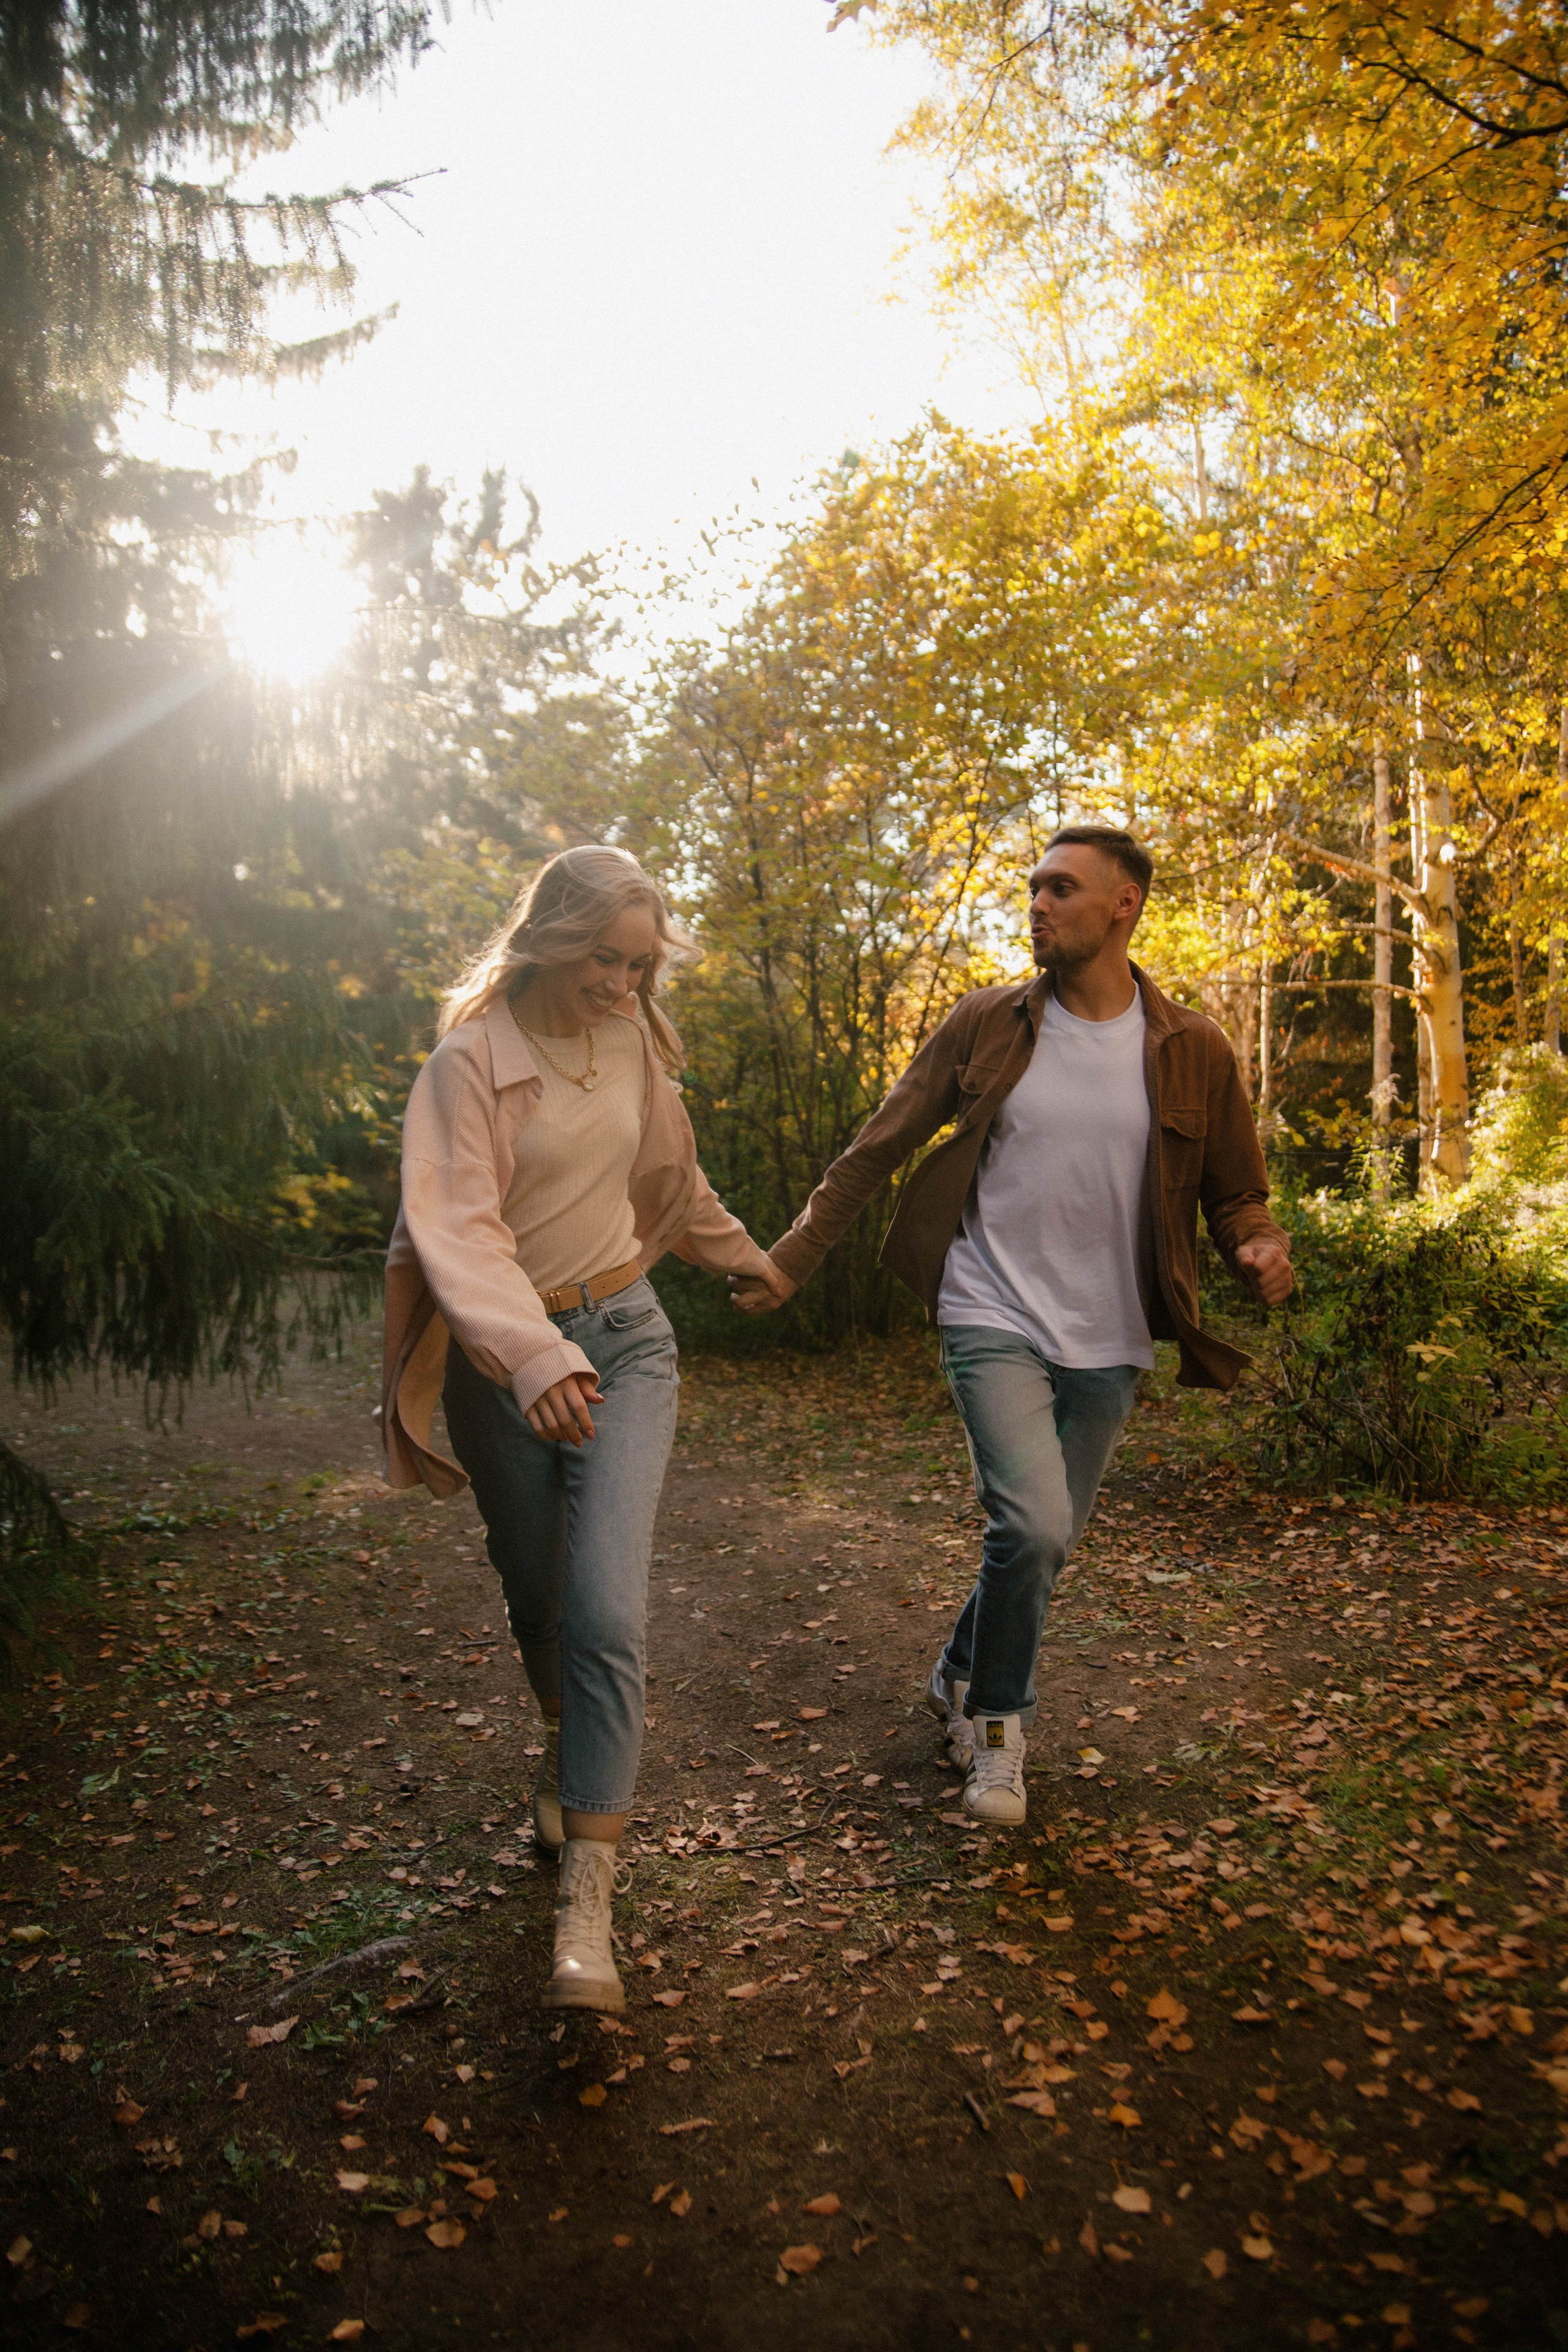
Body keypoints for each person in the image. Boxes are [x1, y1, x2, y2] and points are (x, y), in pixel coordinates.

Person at [729, 826, 1292, 1828]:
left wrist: (1256, 1244)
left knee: (1046, 1543)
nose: (1038, 903)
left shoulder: (1192, 1046)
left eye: (1061, 888)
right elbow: (876, 1147)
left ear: (1124, 904)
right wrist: (790, 1259)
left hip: (1113, 1334)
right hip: (989, 1307)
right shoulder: (987, 1023)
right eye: (1033, 888)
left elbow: (1235, 1190)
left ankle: (956, 1668)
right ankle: (996, 1731)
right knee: (1030, 1524)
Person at [381, 845, 786, 2011]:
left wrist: (739, 1254)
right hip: (503, 1361)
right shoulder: (468, 1066)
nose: (624, 985)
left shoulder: (635, 1039)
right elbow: (458, 1229)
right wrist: (531, 1355)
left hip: (628, 1341)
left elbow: (672, 1174)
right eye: (607, 961)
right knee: (538, 1590)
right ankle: (564, 1749)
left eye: (642, 964)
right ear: (554, 939)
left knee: (607, 1606)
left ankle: (588, 1910)